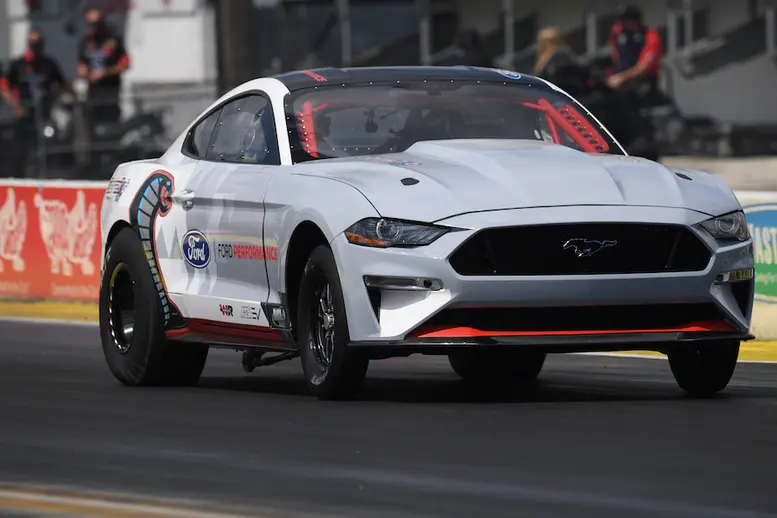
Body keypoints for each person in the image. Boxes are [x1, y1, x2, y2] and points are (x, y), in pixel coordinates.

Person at [0, 27, 66, 177]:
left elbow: (62, 85)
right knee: (21, 146)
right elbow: (4, 86)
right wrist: (15, 106)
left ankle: (45, 173)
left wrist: (52, 98)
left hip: (44, 113)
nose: (36, 47)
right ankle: (19, 174)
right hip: (23, 113)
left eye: (39, 43)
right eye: (33, 43)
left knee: (46, 144)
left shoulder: (49, 64)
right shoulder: (18, 64)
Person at [605, 4, 663, 147]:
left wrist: (620, 78)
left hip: (644, 80)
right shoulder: (618, 33)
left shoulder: (651, 36)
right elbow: (614, 51)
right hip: (621, 77)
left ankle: (637, 138)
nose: (622, 26)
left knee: (628, 96)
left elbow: (643, 67)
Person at [77, 7, 130, 131]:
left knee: (110, 124)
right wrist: (87, 75)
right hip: (93, 92)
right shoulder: (85, 42)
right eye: (91, 23)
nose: (94, 27)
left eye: (96, 23)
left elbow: (126, 63)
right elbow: (81, 65)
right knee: (92, 123)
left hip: (110, 90)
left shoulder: (113, 40)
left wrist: (106, 73)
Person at [532, 27, 587, 97]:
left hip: (561, 95)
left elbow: (561, 78)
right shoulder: (543, 60)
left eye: (541, 42)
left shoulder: (560, 55)